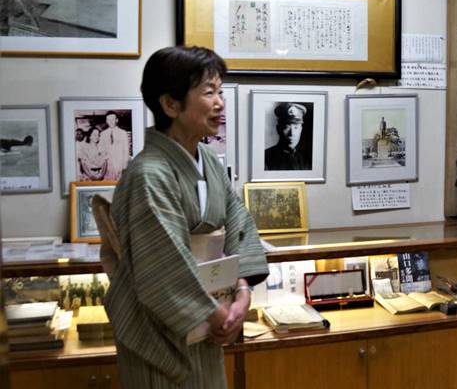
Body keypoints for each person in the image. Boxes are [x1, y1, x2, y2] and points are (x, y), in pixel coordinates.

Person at [103, 46, 268, 388]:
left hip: (211, 321)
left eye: (220, 91)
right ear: (170, 104)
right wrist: (216, 313)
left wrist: (242, 292)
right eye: (209, 92)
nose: (220, 103)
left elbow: (238, 223)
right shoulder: (149, 173)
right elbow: (162, 263)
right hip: (161, 332)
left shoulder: (209, 161)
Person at [264, 102, 310, 170]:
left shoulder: (307, 158)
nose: (292, 133)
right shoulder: (265, 158)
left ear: (301, 129)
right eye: (287, 127)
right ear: (278, 129)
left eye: (296, 128)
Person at [100, 110, 131, 180]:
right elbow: (101, 149)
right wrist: (104, 157)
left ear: (117, 120)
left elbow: (126, 151)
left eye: (112, 119)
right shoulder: (103, 134)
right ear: (106, 121)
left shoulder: (123, 133)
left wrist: (124, 167)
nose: (110, 121)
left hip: (120, 165)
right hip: (108, 166)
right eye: (108, 119)